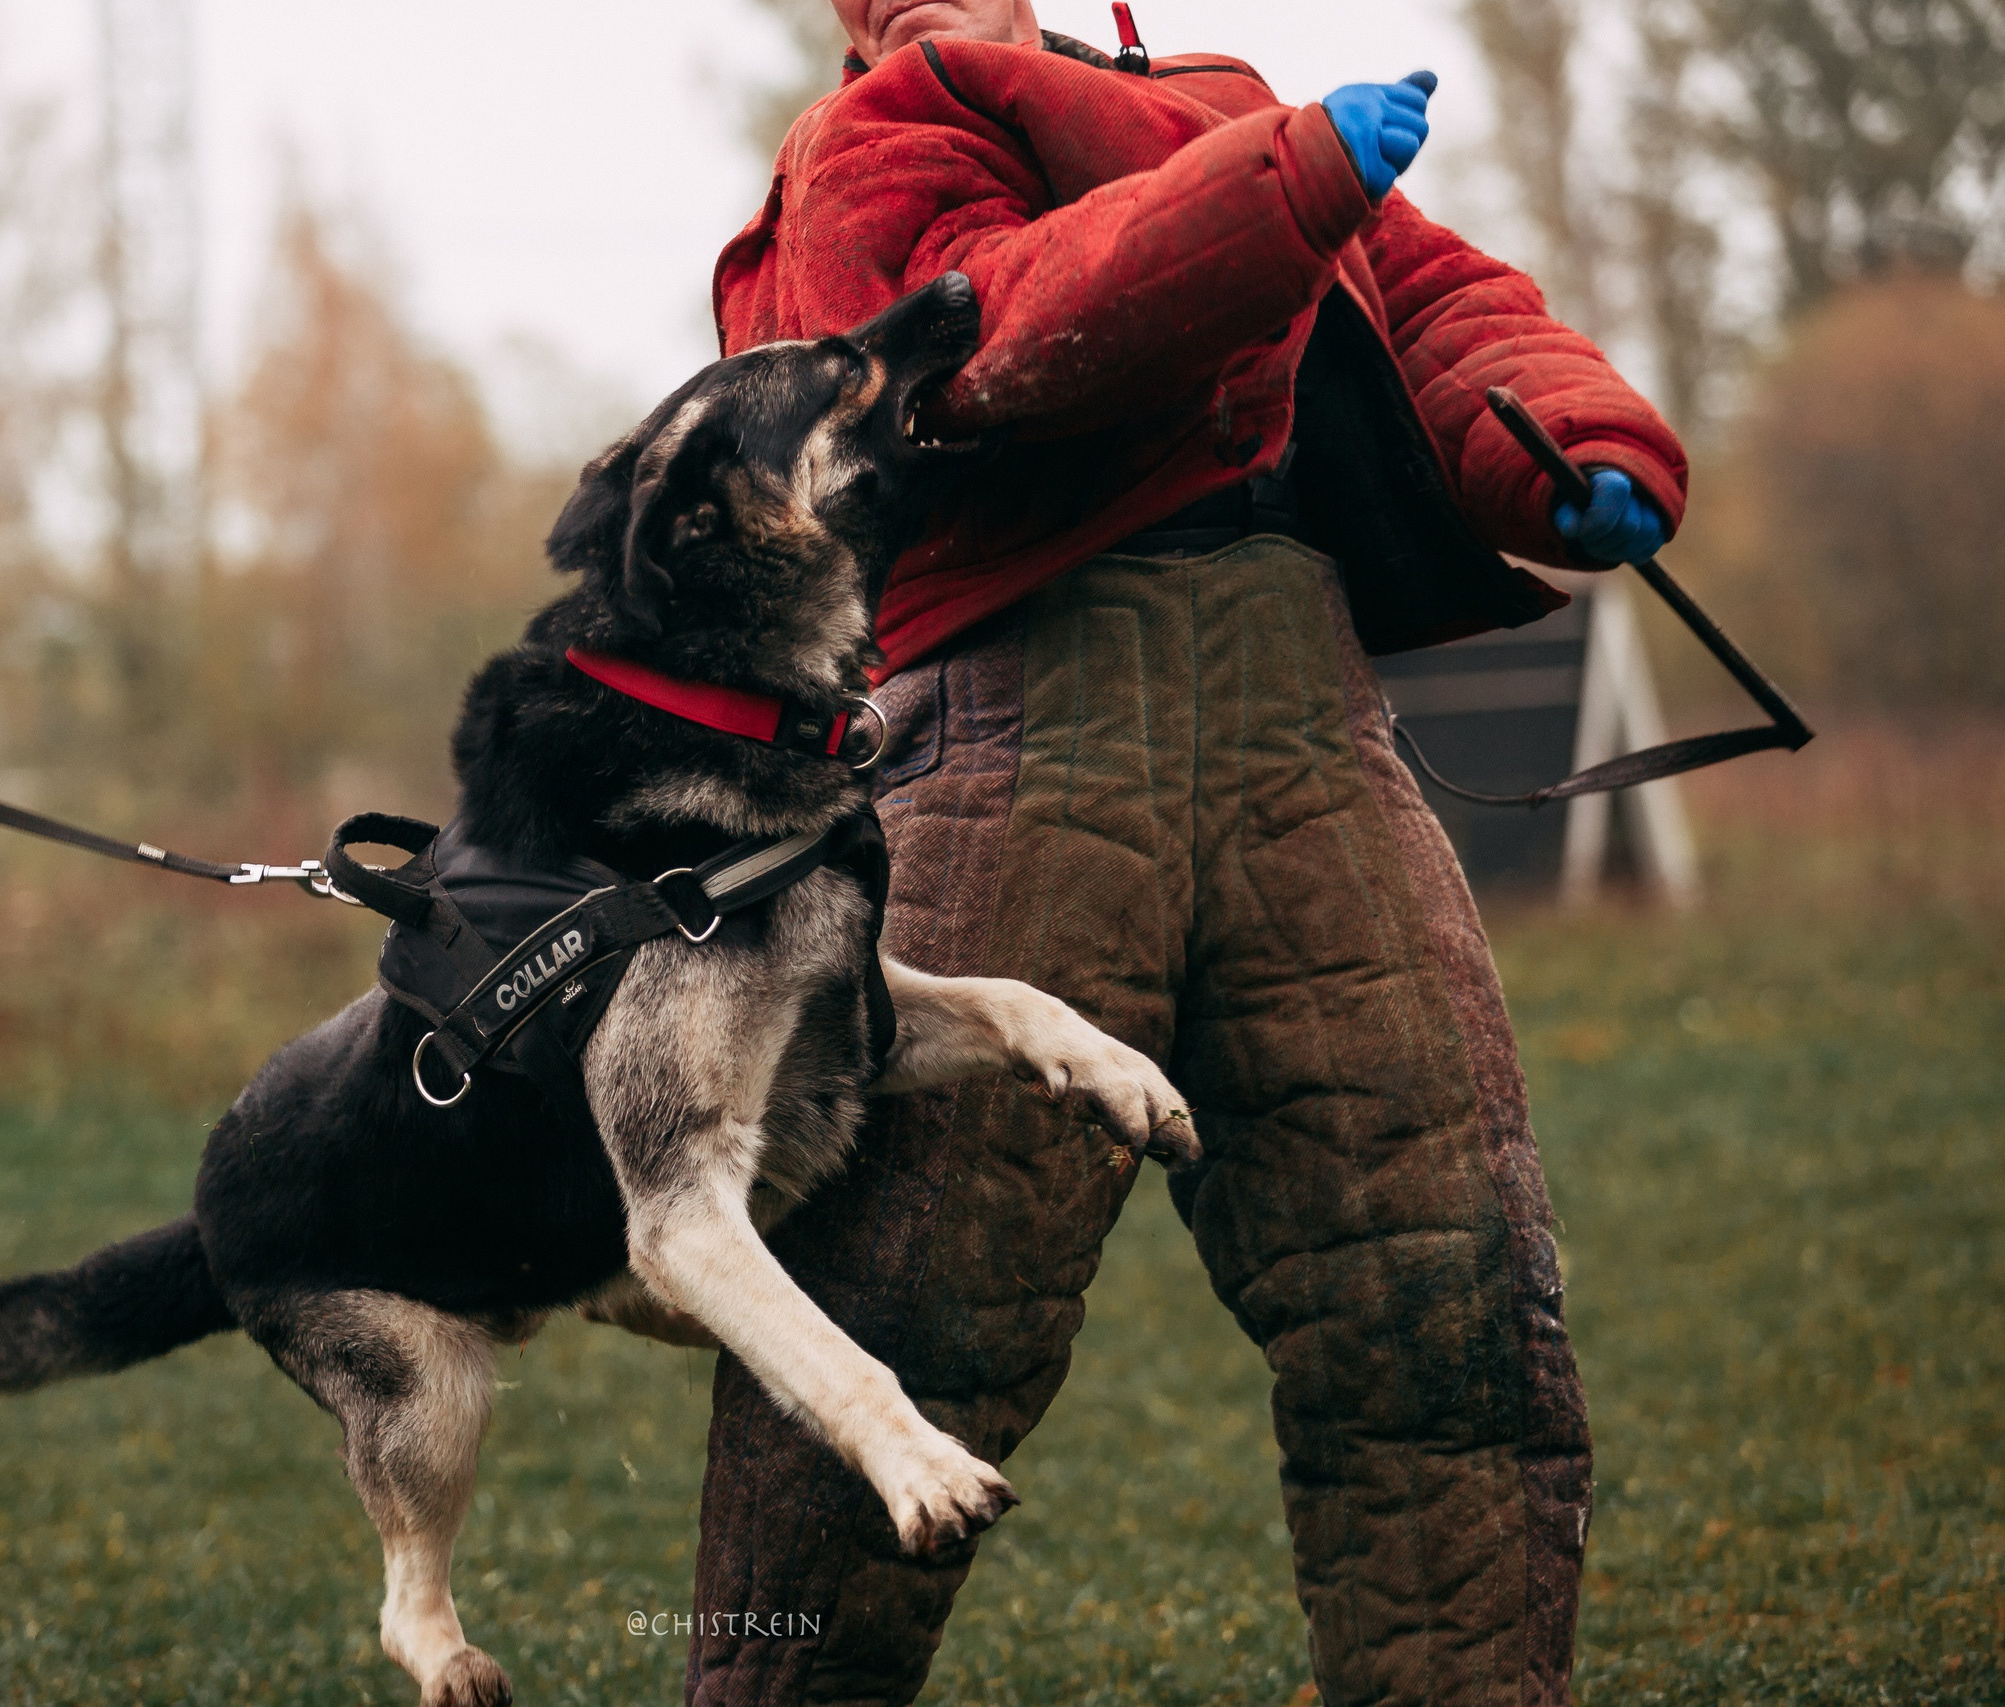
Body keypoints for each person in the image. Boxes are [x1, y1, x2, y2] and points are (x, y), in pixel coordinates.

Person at [684, 3, 1685, 1703]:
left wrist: (1566, 435)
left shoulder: (1211, 104)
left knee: (1442, 1312)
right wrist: (1270, 191)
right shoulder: (870, 142)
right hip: (1019, 760)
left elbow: (1428, 300)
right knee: (906, 1348)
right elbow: (997, 328)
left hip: (1317, 753)